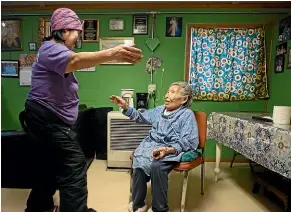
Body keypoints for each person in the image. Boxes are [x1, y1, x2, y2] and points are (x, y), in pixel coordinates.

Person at [20, 8, 142, 212]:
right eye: (77, 32)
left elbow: (75, 61)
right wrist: (113, 53)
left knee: (50, 164)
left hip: (44, 119)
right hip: (45, 119)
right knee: (74, 162)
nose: (78, 37)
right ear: (65, 29)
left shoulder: (56, 51)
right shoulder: (50, 48)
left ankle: (38, 207)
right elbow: (75, 61)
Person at [110, 81, 199, 212]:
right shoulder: (159, 110)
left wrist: (168, 150)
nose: (167, 95)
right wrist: (125, 106)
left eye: (173, 92)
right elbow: (141, 116)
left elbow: (189, 141)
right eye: (168, 91)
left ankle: (160, 208)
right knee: (138, 160)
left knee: (157, 165)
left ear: (184, 99)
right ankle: (139, 203)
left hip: (172, 147)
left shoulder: (186, 115)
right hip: (152, 144)